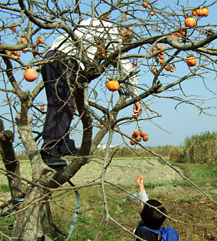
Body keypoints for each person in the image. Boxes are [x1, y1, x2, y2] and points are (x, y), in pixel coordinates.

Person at [41, 17, 142, 165]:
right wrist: (136, 98)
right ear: (125, 35)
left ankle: (63, 145)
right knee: (61, 104)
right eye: (125, 44)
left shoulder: (97, 24)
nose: (123, 46)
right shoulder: (113, 35)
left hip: (54, 59)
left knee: (66, 104)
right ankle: (49, 151)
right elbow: (124, 65)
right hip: (63, 61)